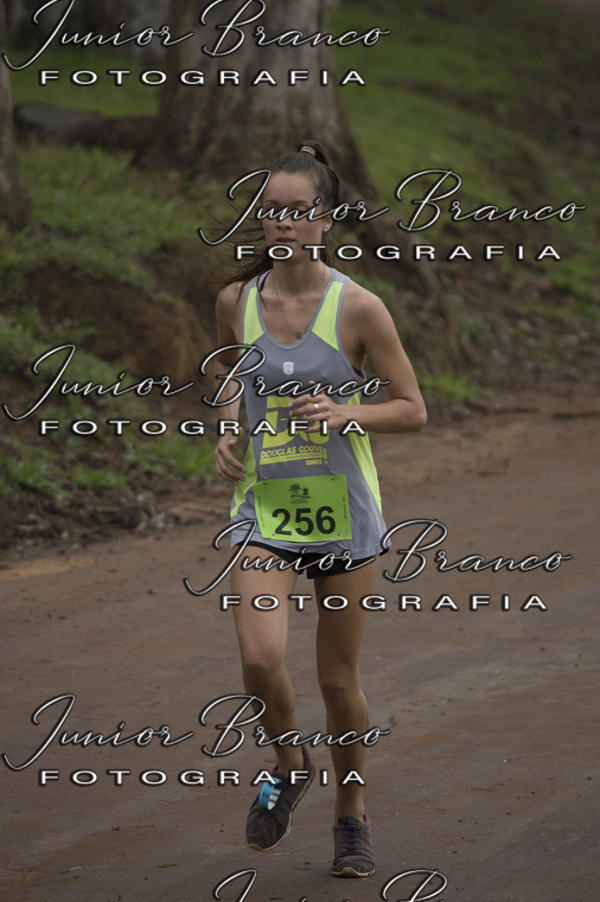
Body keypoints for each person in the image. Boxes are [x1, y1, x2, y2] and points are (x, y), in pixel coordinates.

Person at [212, 140, 427, 878]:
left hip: (344, 514)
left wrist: (347, 412)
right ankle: (289, 762)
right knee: (258, 658)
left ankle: (351, 814)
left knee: (338, 684)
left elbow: (412, 409)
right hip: (265, 510)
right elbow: (233, 382)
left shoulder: (359, 307)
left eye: (298, 213)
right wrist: (227, 429)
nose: (282, 223)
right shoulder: (236, 301)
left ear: (325, 221)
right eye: (271, 210)